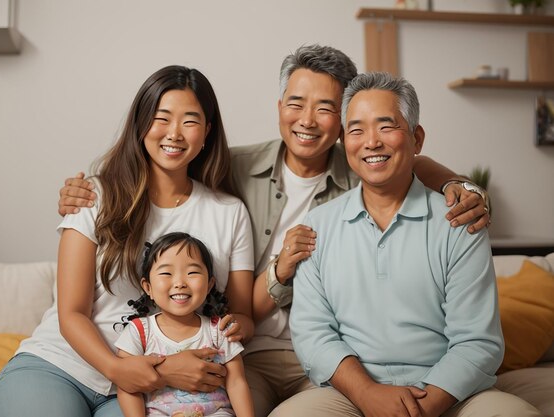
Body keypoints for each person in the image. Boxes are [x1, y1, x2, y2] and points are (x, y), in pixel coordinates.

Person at [57, 45, 491, 417]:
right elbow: (165, 161)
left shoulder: (362, 164)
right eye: (296, 103)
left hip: (323, 359)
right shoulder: (232, 168)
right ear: (279, 105)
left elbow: (408, 156)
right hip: (246, 353)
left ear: (343, 120)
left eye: (326, 108)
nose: (307, 120)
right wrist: (88, 191)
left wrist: (462, 186)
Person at [0, 65, 255, 417]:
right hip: (61, 366)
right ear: (140, 124)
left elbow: (241, 316)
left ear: (207, 132)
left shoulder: (229, 212)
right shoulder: (94, 196)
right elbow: (71, 313)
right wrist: (119, 369)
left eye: (190, 121)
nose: (174, 133)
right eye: (162, 118)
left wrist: (233, 330)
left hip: (156, 396)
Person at [287, 72, 541, 417]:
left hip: (451, 392)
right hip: (351, 393)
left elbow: (478, 341)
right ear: (344, 141)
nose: (371, 142)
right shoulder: (318, 225)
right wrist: (368, 394)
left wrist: (424, 405)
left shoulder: (459, 221)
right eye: (357, 130)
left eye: (386, 126)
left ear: (416, 138)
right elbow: (313, 333)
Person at [115, 232, 253, 417]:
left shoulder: (219, 330)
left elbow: (236, 382)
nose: (180, 283)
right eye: (166, 273)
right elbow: (128, 386)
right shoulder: (138, 332)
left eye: (192, 272)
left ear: (210, 284)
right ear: (148, 287)